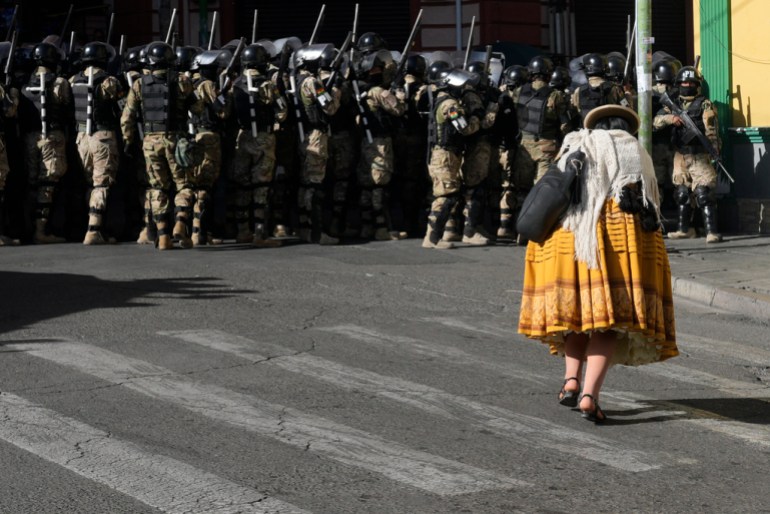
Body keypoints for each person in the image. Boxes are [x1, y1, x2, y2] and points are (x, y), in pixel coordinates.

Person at [518, 105, 678, 423]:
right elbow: (648, 204)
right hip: (618, 241)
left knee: (577, 316)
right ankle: (590, 396)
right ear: (626, 128)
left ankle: (571, 381)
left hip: (566, 239)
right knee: (607, 321)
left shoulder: (575, 142)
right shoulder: (635, 150)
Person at [120, 41, 202, 250]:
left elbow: (127, 117)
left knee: (157, 187)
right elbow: (199, 108)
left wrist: (128, 141)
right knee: (184, 185)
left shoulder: (139, 84)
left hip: (150, 142)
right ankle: (181, 223)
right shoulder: (183, 81)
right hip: (177, 141)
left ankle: (163, 236)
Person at [654, 65, 723, 243]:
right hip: (680, 155)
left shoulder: (705, 104)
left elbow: (712, 132)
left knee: (703, 193)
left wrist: (715, 151)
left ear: (697, 84)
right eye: (683, 82)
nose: (687, 85)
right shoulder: (673, 103)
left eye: (690, 82)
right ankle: (685, 229)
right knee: (682, 193)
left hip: (699, 154)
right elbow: (656, 121)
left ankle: (711, 232)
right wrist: (671, 119)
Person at [69, 41, 124, 245]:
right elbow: (122, 107)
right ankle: (94, 230)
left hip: (81, 138)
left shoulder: (73, 80)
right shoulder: (110, 81)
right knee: (101, 183)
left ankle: (94, 225)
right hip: (103, 136)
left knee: (90, 183)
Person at [19, 42, 73, 243]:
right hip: (52, 137)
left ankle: (27, 227)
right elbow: (67, 109)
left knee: (32, 183)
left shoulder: (24, 82)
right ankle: (41, 230)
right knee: (47, 184)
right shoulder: (59, 83)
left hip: (30, 138)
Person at [422, 68, 480, 249]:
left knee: (449, 194)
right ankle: (432, 238)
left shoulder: (441, 100)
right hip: (444, 156)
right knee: (445, 195)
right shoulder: (450, 105)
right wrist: (477, 117)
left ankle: (433, 237)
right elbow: (465, 128)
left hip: (445, 154)